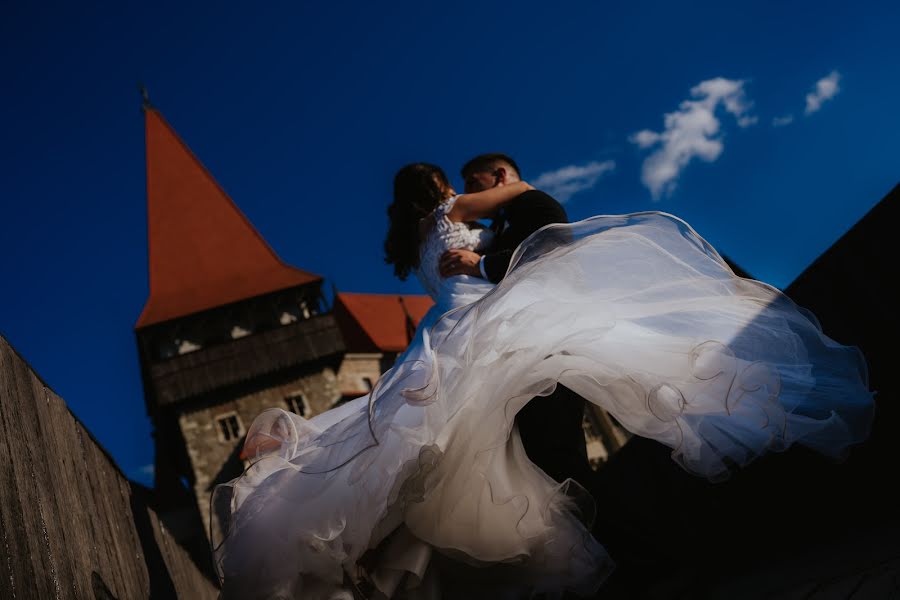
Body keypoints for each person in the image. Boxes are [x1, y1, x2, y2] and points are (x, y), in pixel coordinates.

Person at [212, 159, 873, 600]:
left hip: (448, 333)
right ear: (438, 187)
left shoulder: (415, 243)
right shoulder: (453, 214)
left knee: (430, 450)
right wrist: (476, 203)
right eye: (450, 182)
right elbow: (525, 201)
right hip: (491, 323)